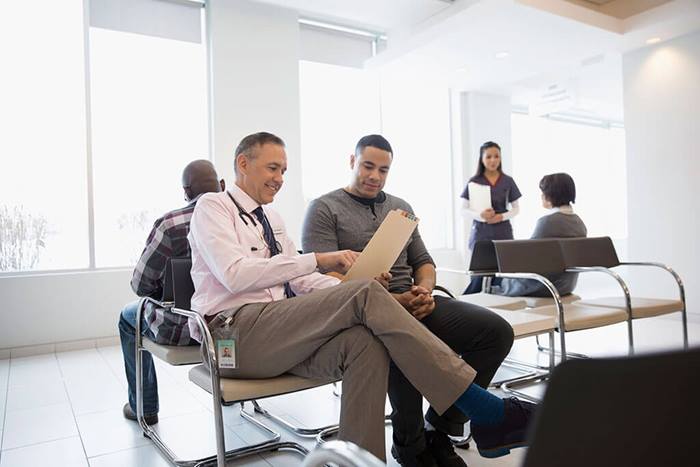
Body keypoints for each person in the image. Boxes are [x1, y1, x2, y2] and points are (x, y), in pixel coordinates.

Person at [187, 132, 535, 462]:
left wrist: (358, 296)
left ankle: (360, 462)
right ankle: (486, 411)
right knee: (365, 290)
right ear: (243, 164)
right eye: (272, 168)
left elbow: (305, 281)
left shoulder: (272, 218)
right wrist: (325, 263)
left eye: (284, 171)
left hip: (278, 337)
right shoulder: (213, 207)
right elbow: (233, 274)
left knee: (364, 344)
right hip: (231, 338)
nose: (280, 178)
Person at [302, 134, 515, 467]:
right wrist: (393, 300)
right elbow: (322, 278)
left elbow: (424, 262)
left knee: (496, 332)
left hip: (414, 303)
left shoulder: (401, 208)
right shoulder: (324, 208)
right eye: (367, 166)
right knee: (398, 340)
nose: (375, 176)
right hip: (365, 312)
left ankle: (440, 429)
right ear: (351, 161)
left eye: (383, 170)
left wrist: (424, 291)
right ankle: (410, 446)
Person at [119, 160, 224, 425]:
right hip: (233, 326)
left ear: (186, 192)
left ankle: (145, 407)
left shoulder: (171, 224)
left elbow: (140, 286)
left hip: (182, 328)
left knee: (128, 317)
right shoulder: (241, 220)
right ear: (222, 186)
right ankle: (232, 396)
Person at [495, 172, 587, 297]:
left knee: (489, 277)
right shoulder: (579, 223)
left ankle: (463, 310)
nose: (541, 196)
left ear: (551, 196)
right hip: (565, 286)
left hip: (543, 285)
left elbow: (529, 259)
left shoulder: (547, 222)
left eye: (543, 192)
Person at [461, 141, 522, 294]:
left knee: (502, 276)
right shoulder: (474, 182)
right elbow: (463, 210)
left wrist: (501, 216)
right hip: (481, 234)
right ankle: (472, 305)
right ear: (482, 159)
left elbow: (516, 209)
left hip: (503, 234)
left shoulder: (508, 181)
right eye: (488, 157)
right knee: (479, 276)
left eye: (496, 156)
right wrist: (480, 216)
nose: (493, 160)